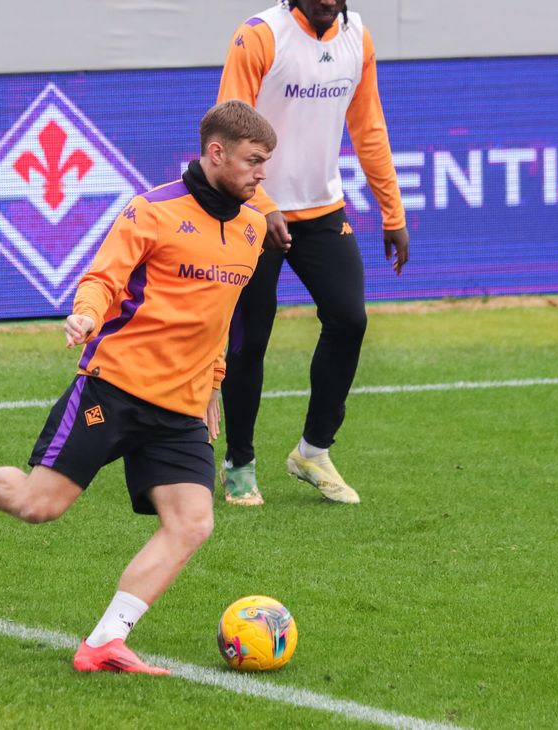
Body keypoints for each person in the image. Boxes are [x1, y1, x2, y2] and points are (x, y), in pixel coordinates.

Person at [0, 100, 276, 675]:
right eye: (253, 161)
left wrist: (213, 386)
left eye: (266, 162)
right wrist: (85, 314)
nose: (262, 174)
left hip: (181, 407)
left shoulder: (252, 228)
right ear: (216, 153)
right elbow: (103, 277)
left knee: (192, 522)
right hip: (115, 387)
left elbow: (218, 318)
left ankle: (104, 642)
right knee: (38, 506)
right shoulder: (151, 210)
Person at [216, 0, 409, 506]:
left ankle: (313, 452)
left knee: (349, 319)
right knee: (249, 340)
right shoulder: (259, 35)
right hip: (252, 210)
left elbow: (368, 127)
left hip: (323, 209)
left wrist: (392, 212)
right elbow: (227, 130)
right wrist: (262, 204)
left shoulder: (357, 38)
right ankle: (239, 463)